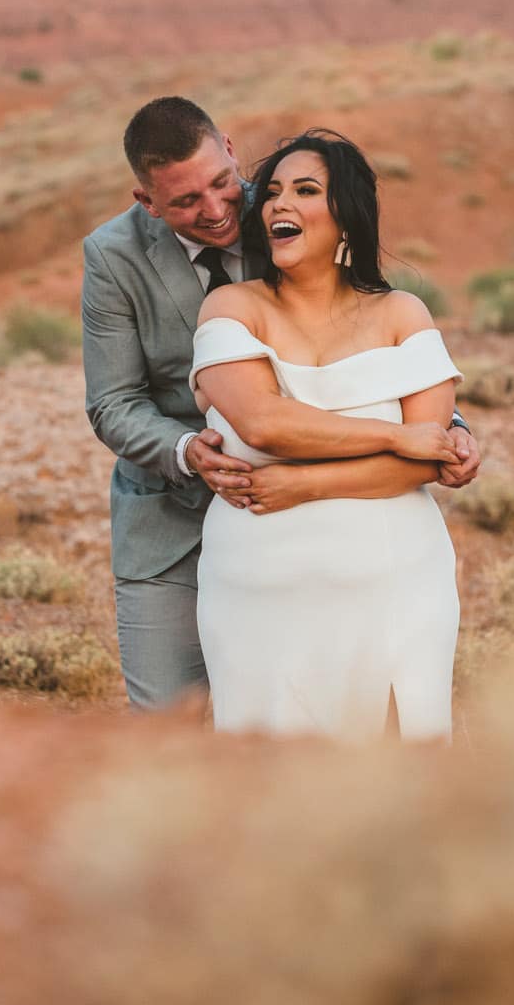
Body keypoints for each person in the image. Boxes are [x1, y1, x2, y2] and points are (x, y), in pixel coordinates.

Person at [82, 96, 480, 712]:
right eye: (186, 202)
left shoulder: (280, 208)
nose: (217, 211)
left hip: (336, 504)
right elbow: (113, 401)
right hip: (171, 511)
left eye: (221, 184)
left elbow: (362, 339)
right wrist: (188, 451)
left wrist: (445, 425)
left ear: (231, 153)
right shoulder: (113, 256)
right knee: (168, 722)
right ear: (147, 202)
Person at [191, 127, 463, 736]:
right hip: (258, 587)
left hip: (396, 578)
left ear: (345, 218)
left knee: (399, 775)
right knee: (269, 779)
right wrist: (394, 437)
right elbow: (263, 424)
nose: (280, 204)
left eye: (306, 190)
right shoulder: (232, 308)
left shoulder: (402, 314)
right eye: (273, 192)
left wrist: (300, 488)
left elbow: (427, 461)